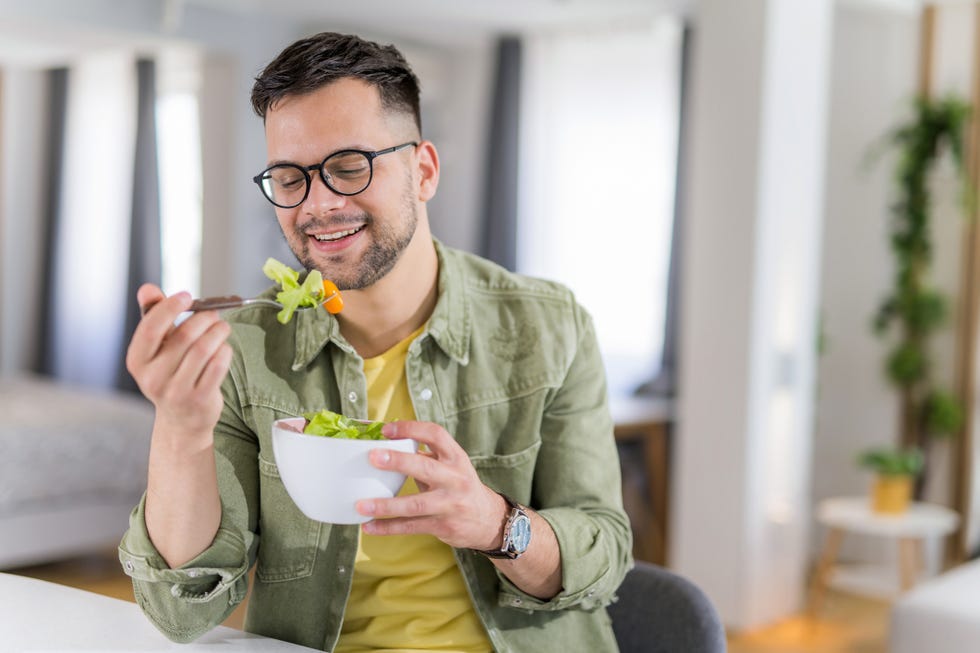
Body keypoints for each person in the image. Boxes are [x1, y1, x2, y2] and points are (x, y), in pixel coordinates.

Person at [119, 31, 632, 652]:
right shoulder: (244, 351)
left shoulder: (550, 326)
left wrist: (493, 523)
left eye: (348, 167)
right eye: (290, 177)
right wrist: (180, 426)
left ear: (423, 171)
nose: (319, 204)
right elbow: (181, 613)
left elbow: (604, 552)